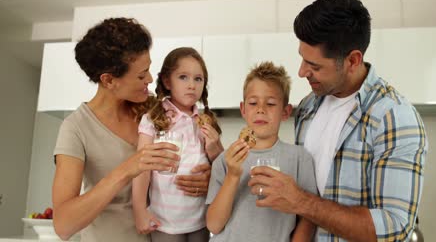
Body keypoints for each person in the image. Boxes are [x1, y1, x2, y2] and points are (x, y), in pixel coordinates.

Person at [249, 0, 428, 241]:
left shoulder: (393, 117)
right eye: (302, 58)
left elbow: (395, 227)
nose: (302, 72)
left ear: (353, 60)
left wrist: (301, 201)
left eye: (315, 66)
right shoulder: (309, 107)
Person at [52, 18, 211, 242]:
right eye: (140, 74)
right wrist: (128, 168)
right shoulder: (75, 128)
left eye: (148, 69)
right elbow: (63, 225)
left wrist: (206, 179)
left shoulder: (158, 111)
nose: (149, 78)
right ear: (109, 80)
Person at [206, 62, 318, 242]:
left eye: (271, 103)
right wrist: (233, 175)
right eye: (253, 102)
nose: (261, 109)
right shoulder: (224, 159)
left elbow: (308, 217)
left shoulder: (299, 159)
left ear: (285, 111)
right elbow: (214, 225)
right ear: (243, 109)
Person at [132, 47, 224, 241]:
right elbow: (141, 168)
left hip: (200, 219)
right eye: (183, 77)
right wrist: (140, 210)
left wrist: (215, 149)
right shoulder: (154, 119)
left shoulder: (207, 121)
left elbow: (221, 169)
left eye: (198, 79)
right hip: (165, 221)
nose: (191, 85)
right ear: (167, 81)